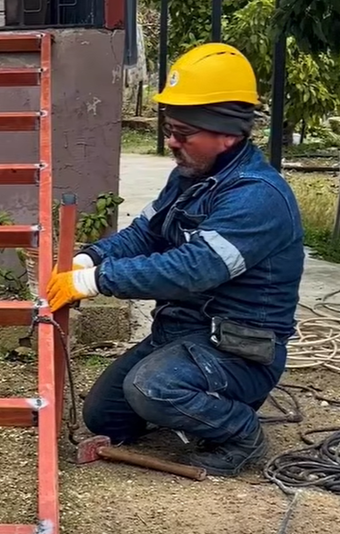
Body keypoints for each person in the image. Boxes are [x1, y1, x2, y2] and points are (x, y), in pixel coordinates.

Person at [46, 43, 304, 477]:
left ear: (228, 133)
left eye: (183, 133)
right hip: (182, 334)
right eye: (170, 129)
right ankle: (184, 402)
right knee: (106, 417)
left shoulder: (258, 198)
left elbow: (191, 269)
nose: (171, 142)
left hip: (237, 353)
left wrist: (96, 281)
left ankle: (241, 432)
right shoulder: (191, 176)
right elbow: (145, 232)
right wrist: (86, 258)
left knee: (150, 387)